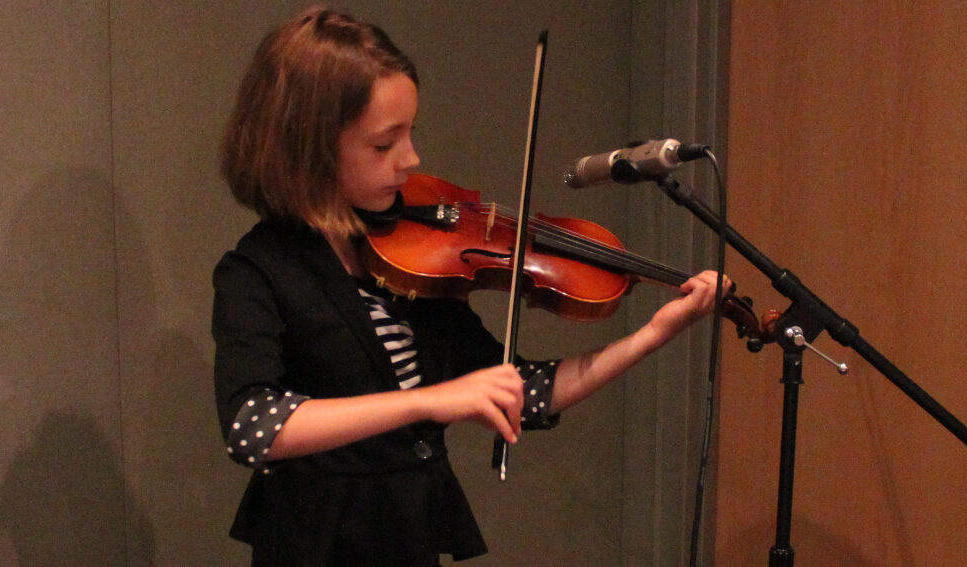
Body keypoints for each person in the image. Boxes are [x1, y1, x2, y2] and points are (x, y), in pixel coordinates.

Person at [212, 6, 730, 566]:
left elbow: (519, 388)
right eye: (384, 145)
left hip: (406, 540)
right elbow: (253, 425)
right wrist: (428, 401)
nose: (411, 160)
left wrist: (651, 336)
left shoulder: (407, 261)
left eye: (410, 134)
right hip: (316, 548)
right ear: (308, 149)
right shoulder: (258, 271)